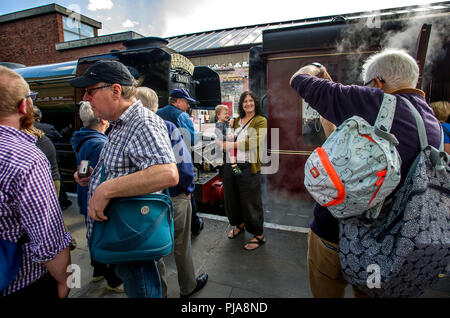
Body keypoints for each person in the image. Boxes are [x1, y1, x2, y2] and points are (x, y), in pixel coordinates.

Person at [289, 49, 441, 298]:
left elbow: (299, 79)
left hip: (334, 234)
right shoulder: (432, 123)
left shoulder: (375, 101)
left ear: (378, 83)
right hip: (384, 244)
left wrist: (315, 67)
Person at [70, 60, 178, 298]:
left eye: (90, 90)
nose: (86, 98)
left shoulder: (142, 122)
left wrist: (104, 189)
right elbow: (124, 167)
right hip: (124, 236)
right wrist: (92, 177)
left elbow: (167, 173)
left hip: (132, 239)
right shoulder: (120, 124)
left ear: (116, 90)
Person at [0, 65, 72, 297]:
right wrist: (65, 280)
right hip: (20, 282)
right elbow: (49, 239)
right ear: (24, 105)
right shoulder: (25, 158)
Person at [136, 87, 208, 298]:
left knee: (154, 251)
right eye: (186, 102)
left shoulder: (131, 131)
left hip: (147, 200)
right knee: (181, 245)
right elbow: (184, 165)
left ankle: (160, 292)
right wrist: (187, 190)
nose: (187, 106)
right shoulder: (169, 125)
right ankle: (188, 286)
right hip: (174, 195)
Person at [70, 101, 123, 292]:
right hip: (99, 199)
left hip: (85, 197)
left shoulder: (82, 139)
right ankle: (113, 280)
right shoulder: (101, 143)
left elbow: (83, 170)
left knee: (92, 234)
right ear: (102, 119)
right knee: (105, 236)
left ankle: (97, 271)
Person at [222, 91, 267, 251]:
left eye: (250, 100)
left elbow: (253, 142)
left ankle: (258, 235)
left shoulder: (260, 121)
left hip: (248, 166)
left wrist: (230, 145)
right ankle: (239, 225)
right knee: (231, 199)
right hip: (231, 165)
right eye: (245, 101)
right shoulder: (236, 121)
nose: (248, 103)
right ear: (241, 105)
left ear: (255, 102)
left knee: (250, 201)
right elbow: (229, 136)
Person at [157, 88, 204, 236]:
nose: (188, 106)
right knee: (186, 190)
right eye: (186, 102)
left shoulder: (157, 112)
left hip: (162, 161)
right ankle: (195, 224)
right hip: (179, 160)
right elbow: (192, 139)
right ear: (178, 101)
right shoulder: (182, 116)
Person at [215, 104, 241, 175]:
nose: (227, 115)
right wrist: (228, 137)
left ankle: (234, 167)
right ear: (218, 115)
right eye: (225, 114)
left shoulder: (225, 122)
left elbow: (232, 118)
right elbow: (220, 136)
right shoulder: (219, 125)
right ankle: (233, 168)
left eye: (228, 113)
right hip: (222, 145)